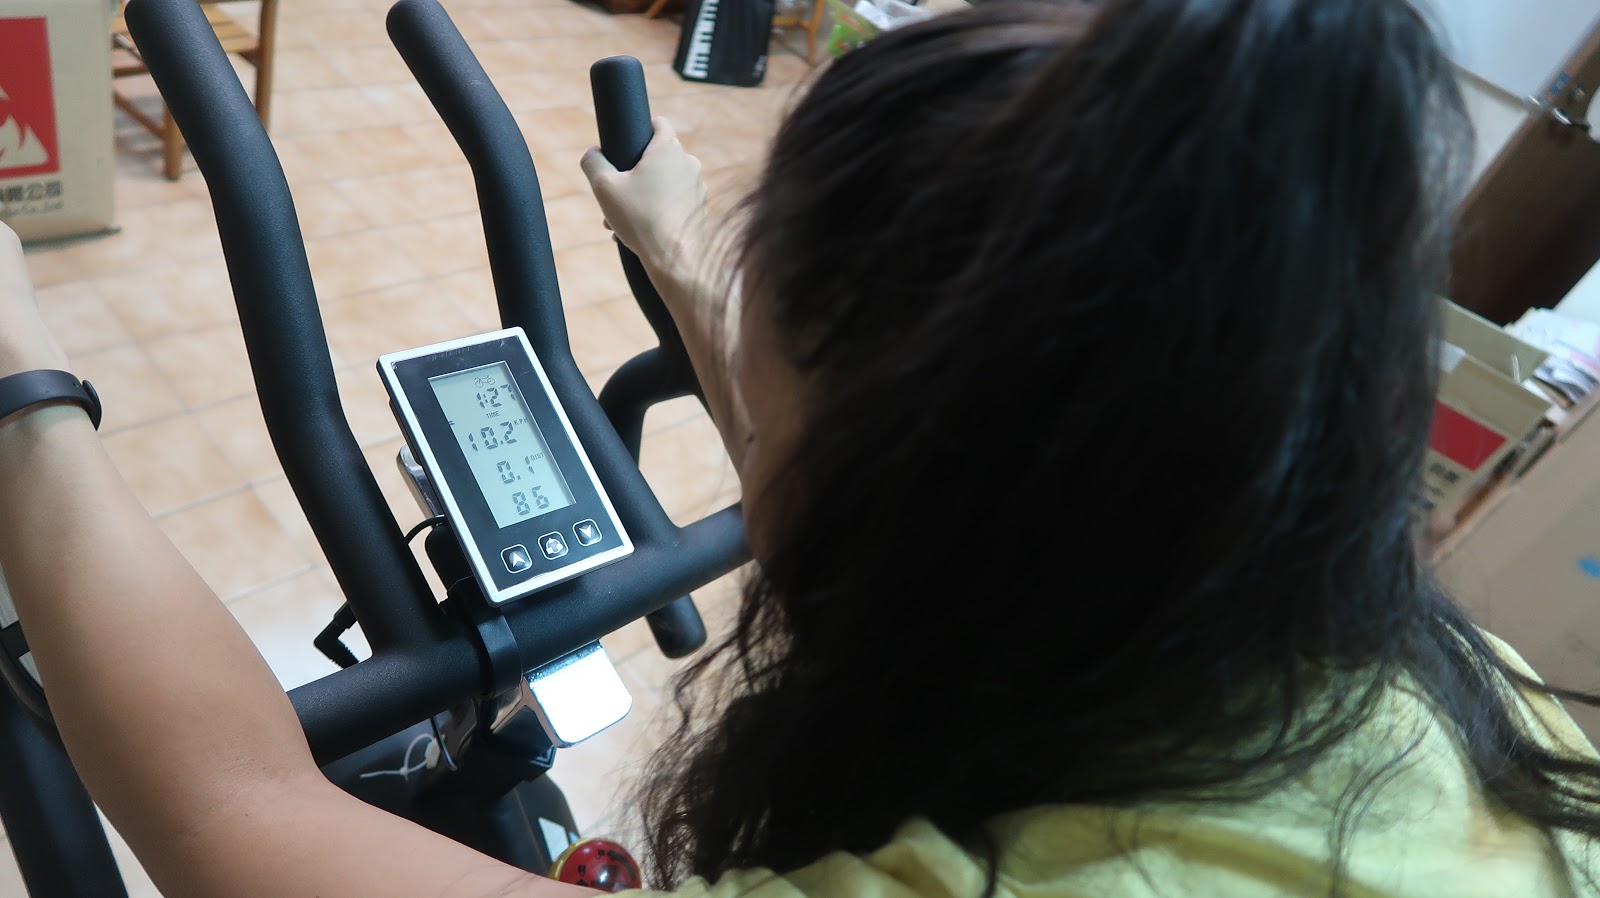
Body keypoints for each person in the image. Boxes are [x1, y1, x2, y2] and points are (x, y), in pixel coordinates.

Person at [1, 0, 1599, 895]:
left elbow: (231, 810)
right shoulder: (1400, 662)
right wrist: (685, 253)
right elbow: (895, 462)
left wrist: (22, 388)